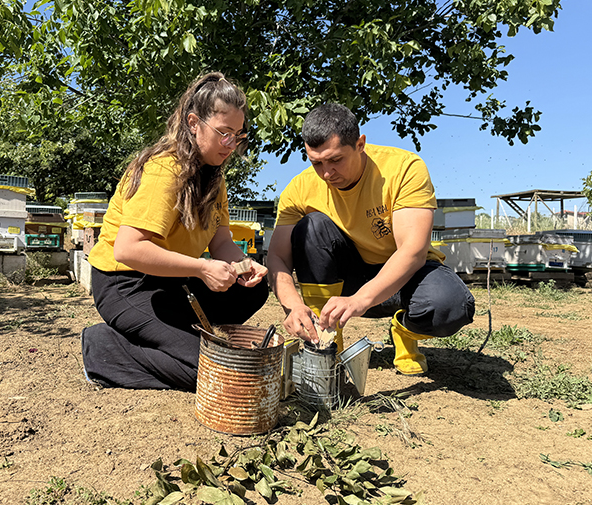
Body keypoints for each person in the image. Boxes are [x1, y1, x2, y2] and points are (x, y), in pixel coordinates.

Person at [81, 73, 269, 390]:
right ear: (193, 123)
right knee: (211, 373)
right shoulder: (163, 170)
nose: (231, 144)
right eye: (223, 133)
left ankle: (174, 336)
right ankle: (104, 347)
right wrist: (202, 267)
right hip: (125, 281)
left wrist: (245, 264)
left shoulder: (214, 177)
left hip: (172, 279)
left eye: (237, 135)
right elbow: (128, 250)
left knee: (253, 289)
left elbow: (221, 240)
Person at [266, 103, 475, 376]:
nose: (327, 174)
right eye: (316, 163)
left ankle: (404, 332)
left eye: (336, 160)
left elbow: (412, 251)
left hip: (405, 277)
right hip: (350, 278)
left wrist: (360, 300)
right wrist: (293, 307)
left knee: (451, 307)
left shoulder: (403, 168)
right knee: (311, 226)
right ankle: (326, 340)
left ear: (360, 144)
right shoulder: (300, 188)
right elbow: (277, 257)